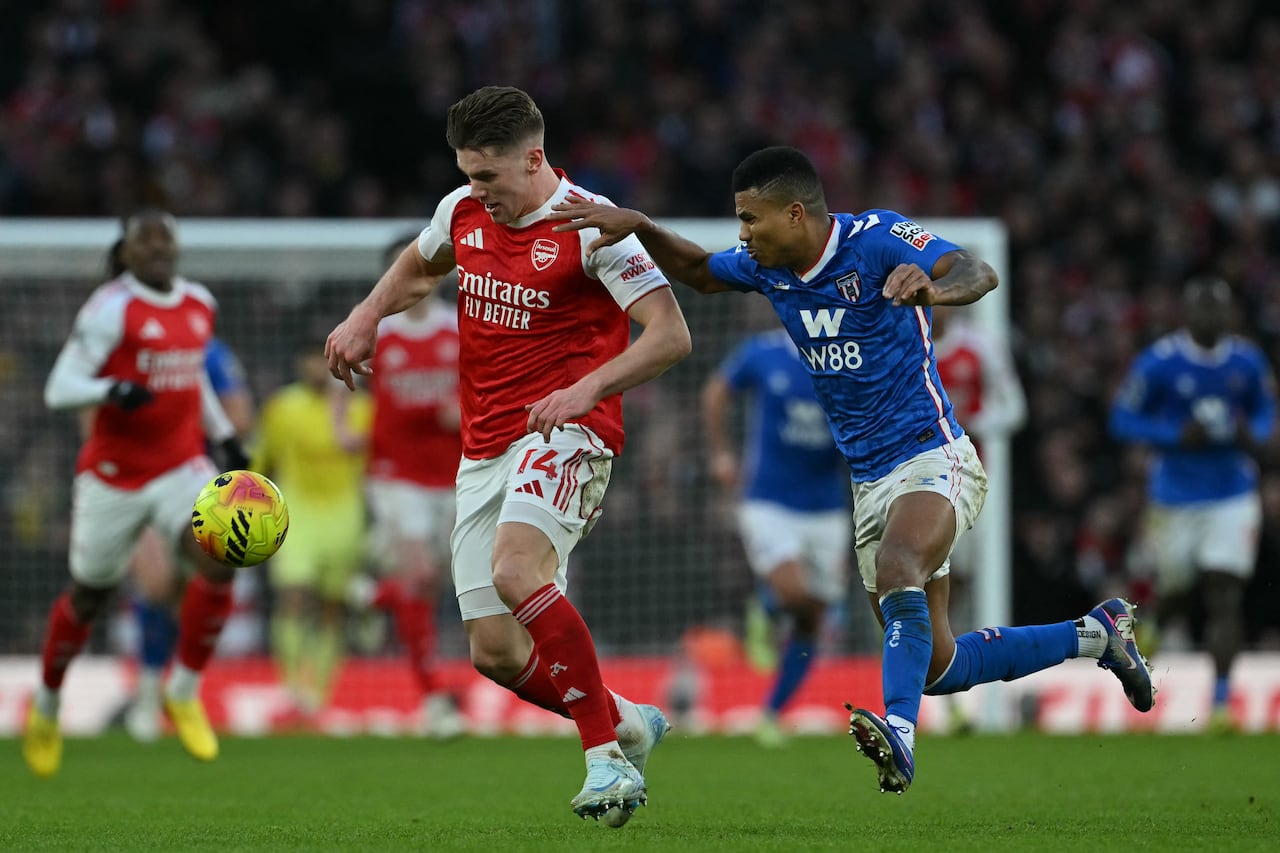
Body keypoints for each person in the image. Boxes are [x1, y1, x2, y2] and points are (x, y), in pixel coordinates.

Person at [548, 145, 1155, 794]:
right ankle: (1098, 634)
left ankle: (899, 734)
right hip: (869, 482)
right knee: (938, 665)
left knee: (899, 567)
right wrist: (640, 226)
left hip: (934, 452)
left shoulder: (879, 237)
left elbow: (976, 269)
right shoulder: (768, 269)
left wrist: (934, 288)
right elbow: (697, 271)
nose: (743, 234)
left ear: (796, 213)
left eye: (751, 220)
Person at [325, 85, 690, 824]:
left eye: (488, 176)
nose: (477, 190)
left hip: (567, 433)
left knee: (516, 569)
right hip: (484, 445)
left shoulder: (593, 227)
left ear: (534, 158)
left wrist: (588, 389)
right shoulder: (460, 211)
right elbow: (421, 264)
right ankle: (624, 719)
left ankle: (606, 762)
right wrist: (366, 314)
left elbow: (669, 333)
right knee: (493, 650)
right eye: (467, 173)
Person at [26, 209, 250, 778]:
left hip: (181, 466)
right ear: (125, 254)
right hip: (113, 475)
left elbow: (190, 372)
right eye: (143, 241)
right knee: (87, 596)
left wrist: (224, 437)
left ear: (176, 246)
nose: (155, 248)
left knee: (225, 554)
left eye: (163, 238)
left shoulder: (199, 302)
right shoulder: (110, 308)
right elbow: (59, 388)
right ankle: (47, 704)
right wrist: (110, 389)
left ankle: (183, 688)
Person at [96, 236, 260, 743]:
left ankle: (181, 691)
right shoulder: (106, 350)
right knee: (158, 585)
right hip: (133, 480)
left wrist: (208, 454)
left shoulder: (205, 349)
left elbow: (239, 414)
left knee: (197, 584)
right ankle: (149, 698)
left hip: (193, 487)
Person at [1109, 277, 1277, 732]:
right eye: (1200, 308)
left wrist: (1255, 435)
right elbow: (1122, 417)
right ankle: (1156, 627)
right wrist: (1173, 437)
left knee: (1224, 591)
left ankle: (1221, 703)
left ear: (1229, 314)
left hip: (1232, 493)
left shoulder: (1246, 360)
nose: (1209, 317)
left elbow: (1265, 409)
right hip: (1175, 496)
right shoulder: (1161, 362)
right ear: (1186, 314)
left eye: (1217, 308)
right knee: (1178, 591)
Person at [701, 322, 851, 747]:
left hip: (827, 508)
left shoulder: (848, 361)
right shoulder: (763, 353)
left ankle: (771, 714)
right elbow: (715, 391)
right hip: (768, 500)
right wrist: (722, 454)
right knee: (791, 591)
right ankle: (766, 607)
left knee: (813, 618)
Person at [347, 235, 465, 738]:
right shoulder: (377, 331)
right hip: (395, 474)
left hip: (451, 471)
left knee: (430, 583)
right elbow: (342, 381)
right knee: (418, 575)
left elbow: (481, 390)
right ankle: (433, 695)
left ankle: (372, 596)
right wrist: (345, 425)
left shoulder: (460, 329)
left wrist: (461, 413)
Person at [252, 342, 372, 724]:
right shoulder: (282, 408)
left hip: (344, 517)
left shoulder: (362, 410)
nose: (315, 368)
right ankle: (292, 689)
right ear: (298, 364)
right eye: (308, 359)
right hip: (297, 514)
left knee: (331, 609)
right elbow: (262, 461)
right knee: (292, 594)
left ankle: (316, 699)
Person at [930, 304, 1027, 732]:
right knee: (923, 583)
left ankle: (959, 687)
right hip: (913, 480)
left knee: (957, 584)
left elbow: (1014, 408)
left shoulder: (981, 345)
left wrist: (973, 420)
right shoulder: (903, 338)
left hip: (969, 482)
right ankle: (944, 699)